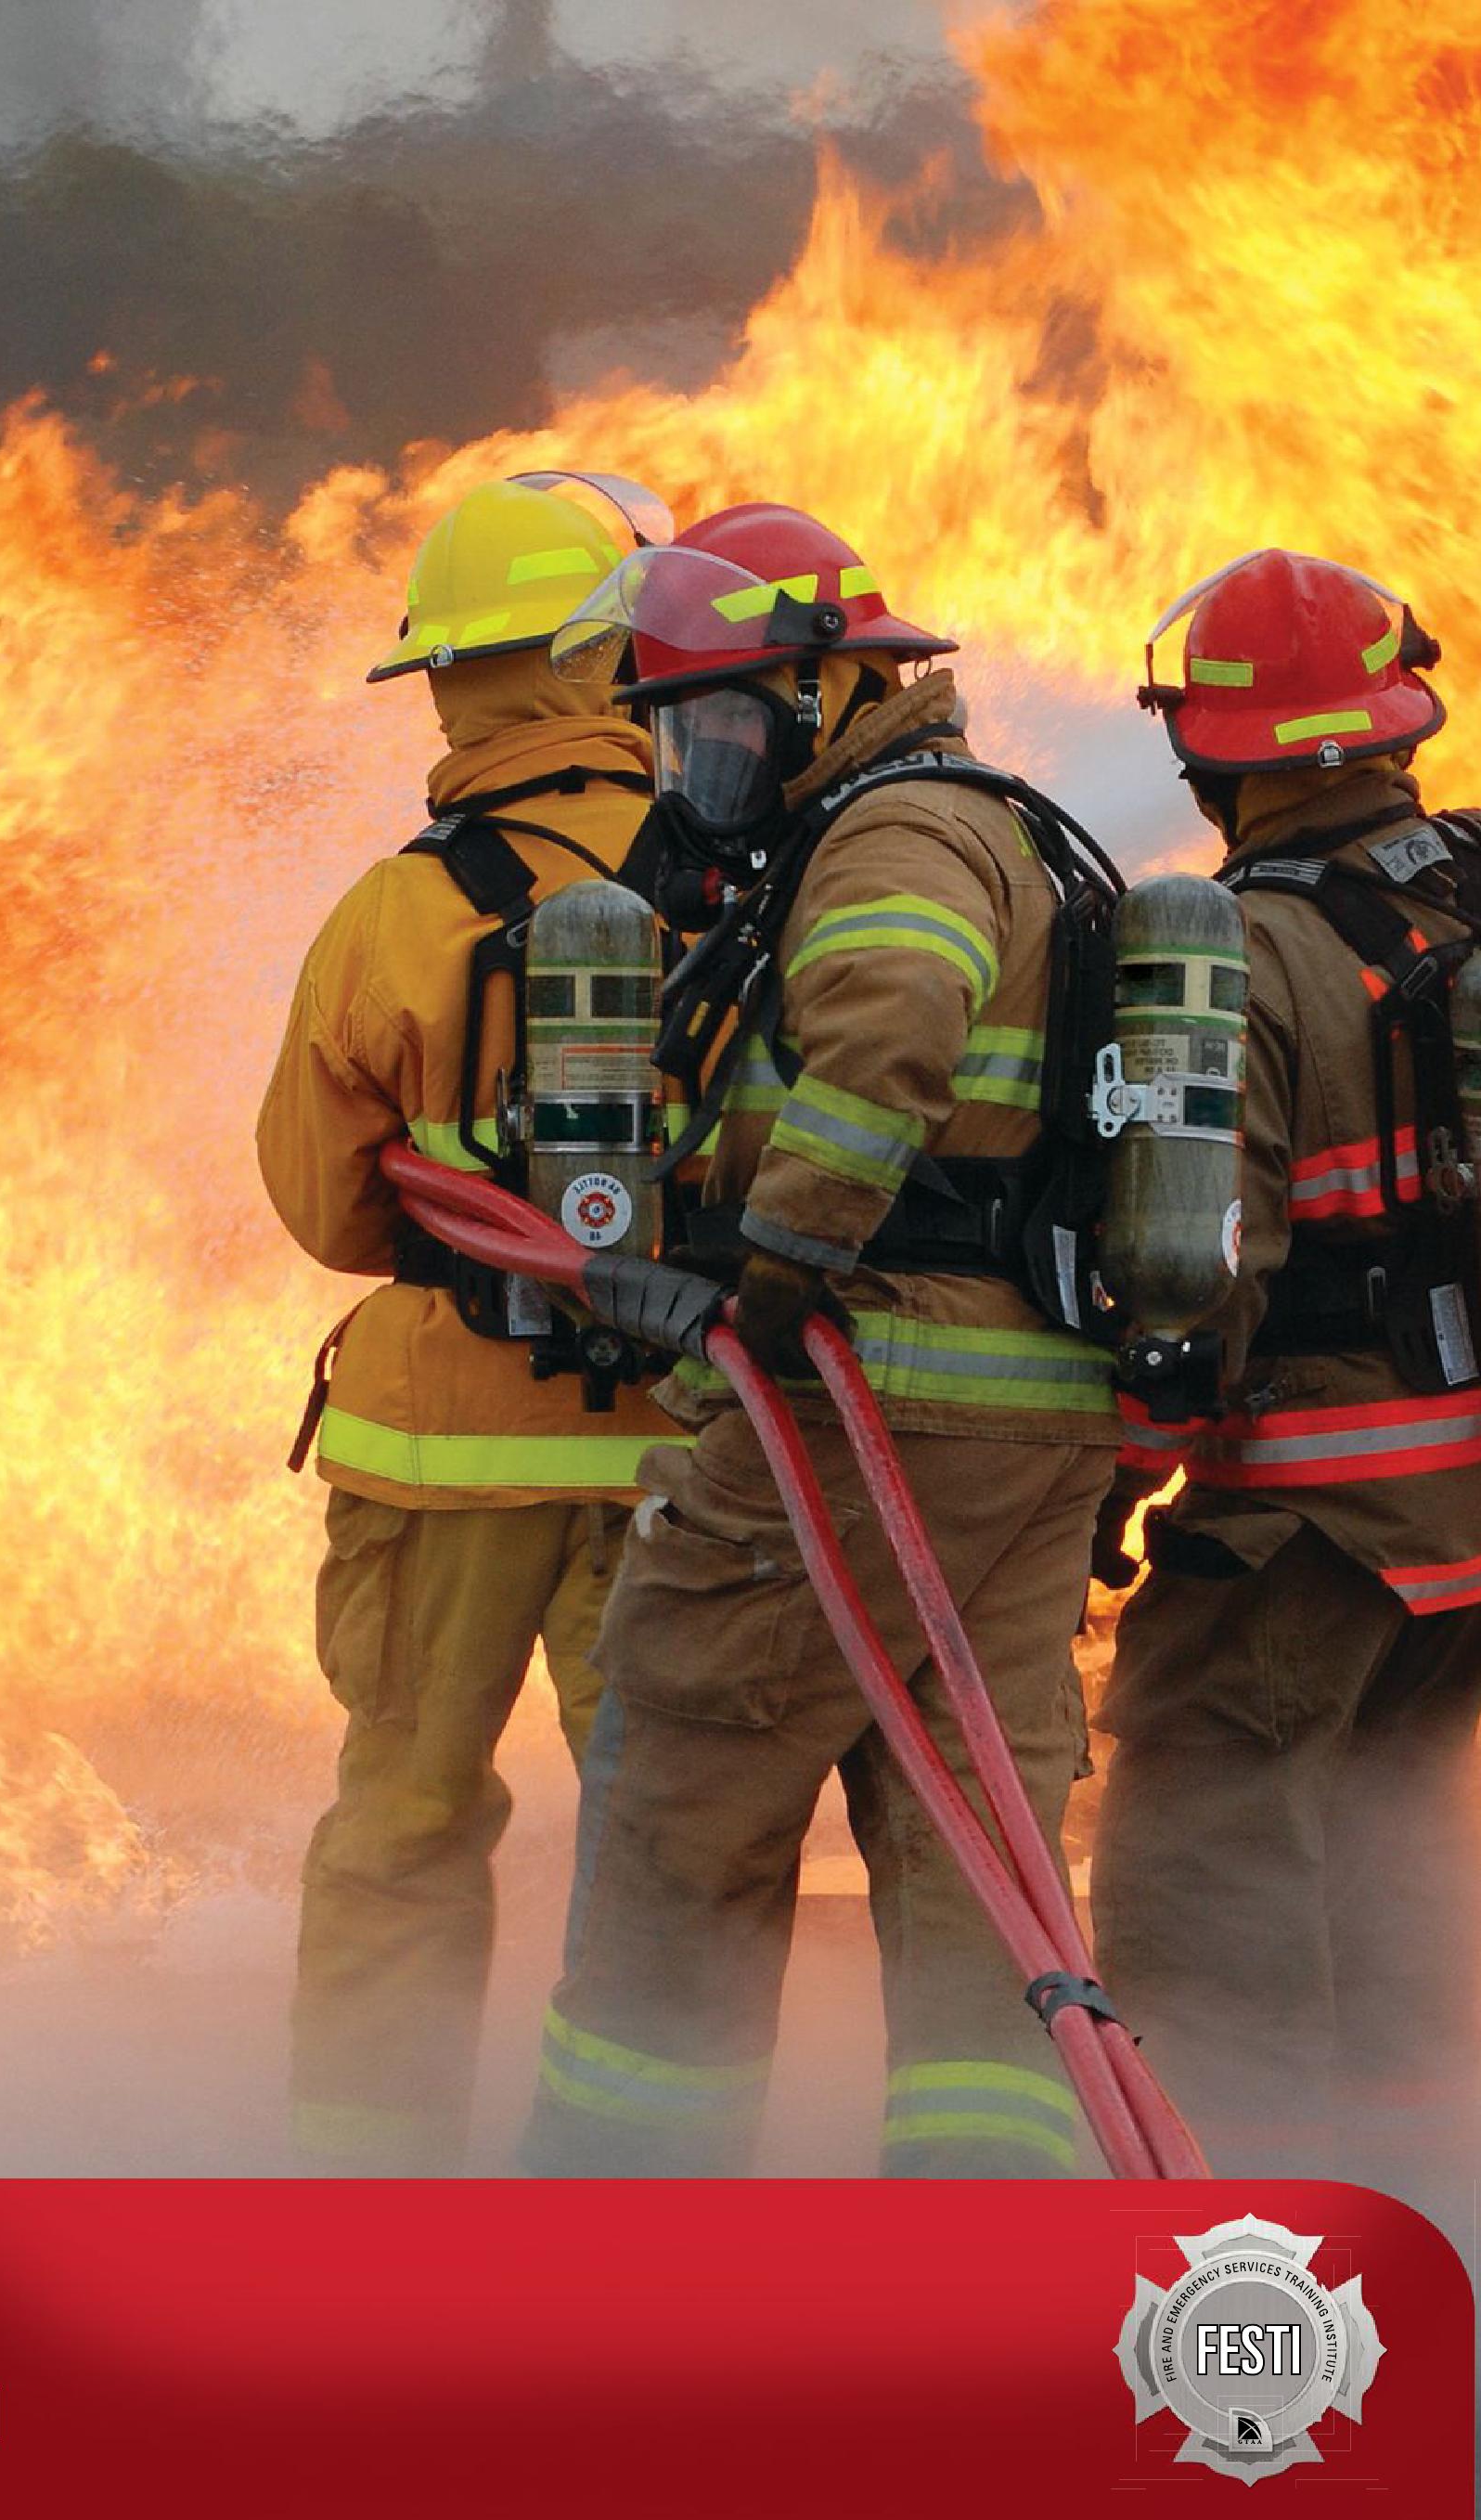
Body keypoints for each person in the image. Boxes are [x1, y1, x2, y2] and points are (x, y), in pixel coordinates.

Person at [521, 502, 1126, 2178]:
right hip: (1019, 1412)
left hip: (877, 1390)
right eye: (677, 735)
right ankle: (984, 2223)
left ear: (825, 690)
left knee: (683, 1763)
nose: (699, 767)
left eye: (720, 723)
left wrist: (770, 1271)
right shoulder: (971, 820)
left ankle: (618, 2204)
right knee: (970, 1835)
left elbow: (890, 1035)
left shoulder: (894, 832)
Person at [257, 472, 679, 2174]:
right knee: (665, 1840)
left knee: (405, 1821)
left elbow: (324, 1204)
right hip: (684, 1448)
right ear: (616, 653)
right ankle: (645, 2186)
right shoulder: (755, 879)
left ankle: (368, 2183)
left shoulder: (399, 908)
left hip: (441, 1456)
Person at [1091, 548, 1481, 2189]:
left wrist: (1112, 1475)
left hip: (1309, 1521)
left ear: (1215, 756)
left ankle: (1231, 2259)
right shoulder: (1471, 889)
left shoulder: (1231, 951)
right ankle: (1421, 2220)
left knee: (1206, 1884)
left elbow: (1200, 1269)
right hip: (1464, 1530)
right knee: (1397, 1882)